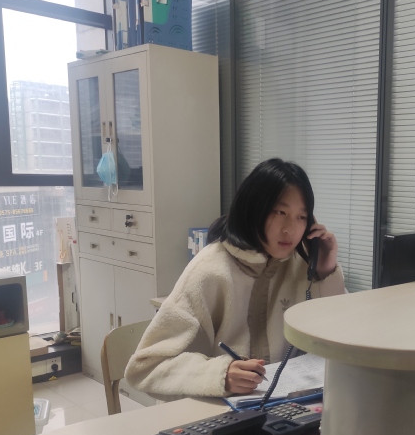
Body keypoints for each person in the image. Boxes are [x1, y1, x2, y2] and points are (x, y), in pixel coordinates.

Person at [124, 158, 346, 399]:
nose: (290, 229)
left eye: (301, 217)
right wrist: (219, 375)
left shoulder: (301, 265)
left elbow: (341, 336)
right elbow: (144, 367)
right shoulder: (209, 270)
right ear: (253, 209)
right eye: (280, 212)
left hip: (283, 406)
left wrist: (325, 271)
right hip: (215, 410)